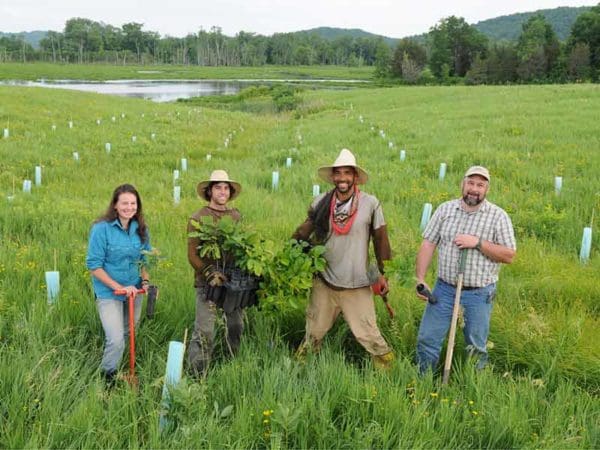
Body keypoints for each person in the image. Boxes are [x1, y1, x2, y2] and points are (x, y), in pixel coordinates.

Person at [292, 148, 395, 369]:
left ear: (355, 177)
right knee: (313, 333)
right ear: (332, 177)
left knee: (369, 334)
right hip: (325, 281)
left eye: (347, 173)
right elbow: (303, 233)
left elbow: (380, 242)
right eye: (338, 173)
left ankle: (390, 373)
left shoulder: (370, 204)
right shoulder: (320, 202)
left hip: (357, 283)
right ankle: (298, 372)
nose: (342, 178)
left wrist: (381, 275)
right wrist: (290, 253)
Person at [415, 166, 516, 374]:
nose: (474, 189)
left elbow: (509, 255)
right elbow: (428, 244)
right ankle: (422, 383)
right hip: (444, 289)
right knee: (428, 339)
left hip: (479, 294)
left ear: (487, 189)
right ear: (463, 184)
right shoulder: (445, 210)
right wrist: (421, 278)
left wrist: (478, 243)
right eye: (471, 183)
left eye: (480, 185)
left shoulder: (498, 216)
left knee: (475, 347)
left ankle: (472, 388)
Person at [86, 184, 152, 386]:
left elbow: (145, 260)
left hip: (134, 291)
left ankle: (124, 371)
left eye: (133, 203)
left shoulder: (140, 229)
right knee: (115, 339)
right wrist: (118, 286)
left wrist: (146, 281)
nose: (129, 207)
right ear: (115, 205)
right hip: (109, 292)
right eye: (124, 203)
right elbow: (94, 265)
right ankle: (107, 378)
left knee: (128, 332)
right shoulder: (101, 229)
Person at [187, 170, 244, 377]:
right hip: (207, 284)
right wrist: (209, 272)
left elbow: (240, 248)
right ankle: (196, 374)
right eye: (218, 187)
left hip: (232, 283)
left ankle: (232, 363)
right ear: (209, 191)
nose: (223, 191)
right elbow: (192, 254)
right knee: (205, 330)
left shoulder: (236, 216)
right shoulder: (198, 218)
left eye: (226, 187)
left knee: (236, 325)